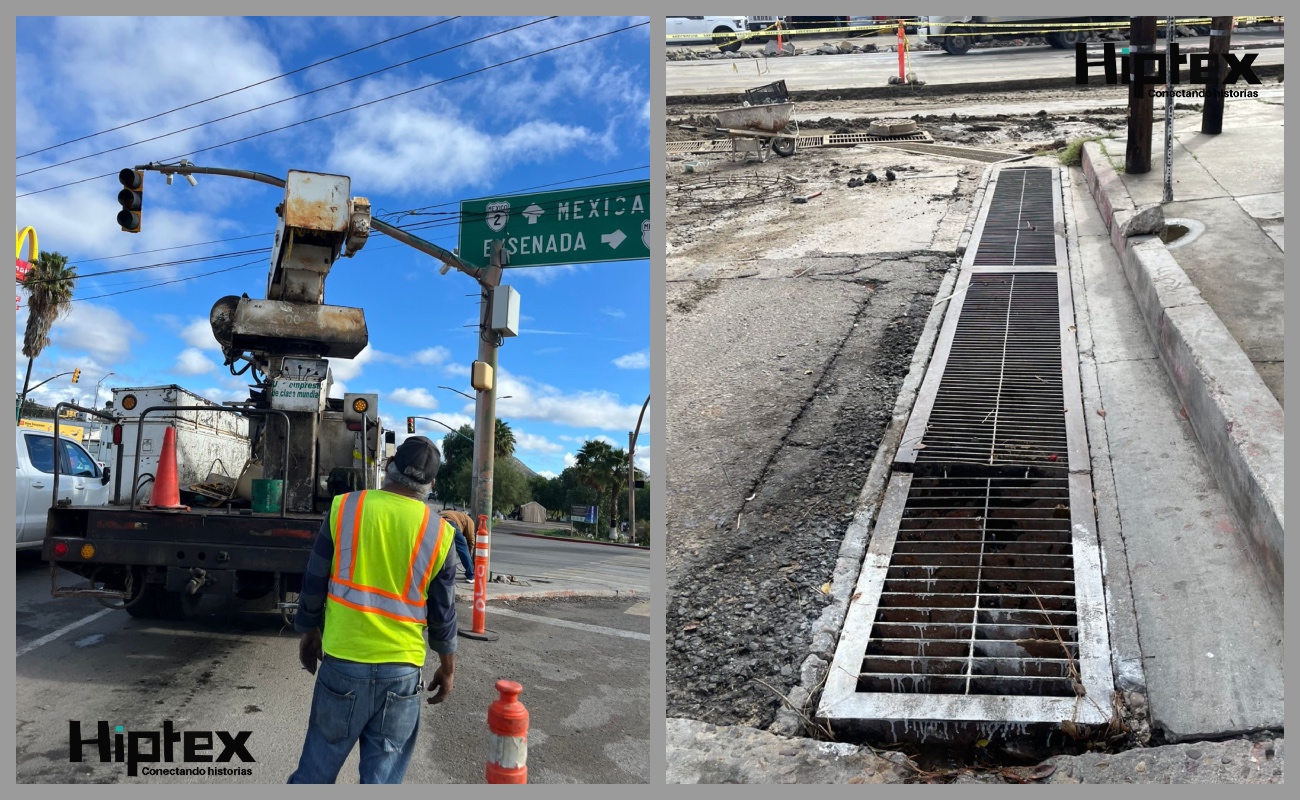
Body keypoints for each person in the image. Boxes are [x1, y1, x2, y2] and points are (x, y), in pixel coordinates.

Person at [288, 436, 459, 784]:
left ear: (388, 465)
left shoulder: (345, 508)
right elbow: (444, 615)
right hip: (402, 671)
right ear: (431, 484)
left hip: (343, 663)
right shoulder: (440, 533)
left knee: (314, 773)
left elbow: (314, 579)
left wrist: (308, 630)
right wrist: (447, 667)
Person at [439, 509, 476, 584]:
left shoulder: (456, 514)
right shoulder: (469, 520)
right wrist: (469, 553)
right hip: (449, 523)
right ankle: (470, 575)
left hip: (435, 521)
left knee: (438, 549)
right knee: (463, 548)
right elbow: (471, 539)